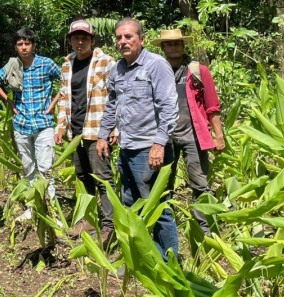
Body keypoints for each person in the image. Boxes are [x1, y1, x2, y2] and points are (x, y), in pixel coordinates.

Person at [97, 18, 179, 259]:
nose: (123, 41)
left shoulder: (156, 65)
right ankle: (141, 258)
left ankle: (169, 264)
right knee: (131, 206)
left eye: (129, 36)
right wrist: (103, 134)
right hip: (127, 147)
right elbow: (112, 105)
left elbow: (169, 107)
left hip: (149, 149)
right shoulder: (117, 70)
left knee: (158, 207)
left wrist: (159, 143)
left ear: (142, 40)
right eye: (119, 37)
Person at [153, 28, 224, 235]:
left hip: (194, 136)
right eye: (168, 44)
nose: (173, 47)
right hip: (164, 137)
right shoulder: (156, 70)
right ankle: (167, 228)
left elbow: (212, 105)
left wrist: (218, 135)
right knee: (164, 185)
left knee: (200, 183)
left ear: (183, 46)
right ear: (163, 47)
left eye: (177, 43)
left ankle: (205, 230)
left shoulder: (198, 70)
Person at [54, 20, 116, 241]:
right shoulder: (67, 64)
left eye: (84, 38)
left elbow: (116, 97)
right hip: (76, 130)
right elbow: (64, 98)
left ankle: (110, 225)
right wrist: (61, 127)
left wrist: (113, 129)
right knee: (83, 175)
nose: (80, 42)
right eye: (76, 38)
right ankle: (89, 220)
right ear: (70, 40)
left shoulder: (106, 62)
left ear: (92, 40)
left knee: (103, 177)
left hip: (98, 130)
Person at [0, 29, 61, 219]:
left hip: (43, 122)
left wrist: (54, 103)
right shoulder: (12, 65)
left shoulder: (46, 64)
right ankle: (33, 208)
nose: (24, 47)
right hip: (21, 123)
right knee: (28, 167)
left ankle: (51, 210)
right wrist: (9, 101)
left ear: (34, 45)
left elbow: (66, 81)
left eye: (27, 43)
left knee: (46, 169)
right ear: (15, 47)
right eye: (20, 44)